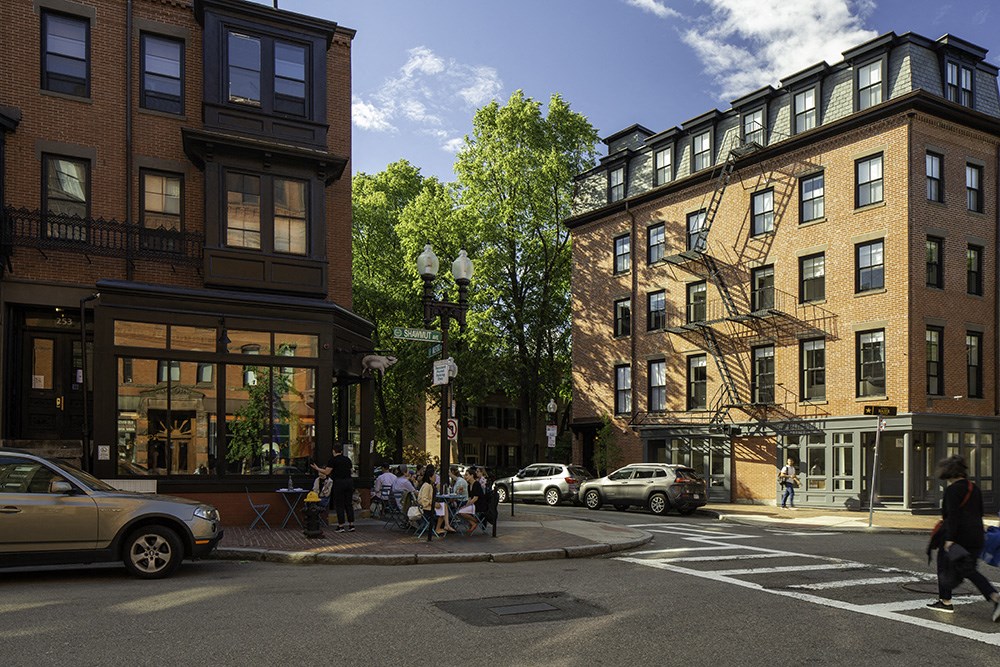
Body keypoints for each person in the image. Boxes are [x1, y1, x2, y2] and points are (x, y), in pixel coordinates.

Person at [926, 455, 1000, 620]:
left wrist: (949, 539)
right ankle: (993, 597)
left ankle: (946, 601)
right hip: (977, 536)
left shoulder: (952, 490)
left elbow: (952, 516)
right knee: (969, 569)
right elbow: (980, 512)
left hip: (958, 537)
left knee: (943, 565)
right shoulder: (974, 488)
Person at [313, 444, 355, 533]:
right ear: (341, 451)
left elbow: (327, 472)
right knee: (348, 503)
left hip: (339, 482)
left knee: (339, 504)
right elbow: (351, 471)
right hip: (349, 482)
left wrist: (317, 468)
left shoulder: (333, 460)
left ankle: (341, 526)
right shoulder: (347, 459)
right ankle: (351, 525)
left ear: (333, 451)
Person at [457, 469, 481, 534]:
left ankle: (476, 521)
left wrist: (467, 505)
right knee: (458, 512)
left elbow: (475, 498)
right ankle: (473, 523)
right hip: (473, 504)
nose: (465, 477)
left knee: (461, 512)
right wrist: (466, 505)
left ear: (472, 475)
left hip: (479, 504)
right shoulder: (469, 485)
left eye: (467, 475)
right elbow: (470, 498)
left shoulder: (476, 484)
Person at [417, 466, 437, 541]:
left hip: (427, 506)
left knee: (444, 507)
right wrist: (433, 503)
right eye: (434, 476)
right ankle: (439, 527)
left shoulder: (428, 485)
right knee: (444, 507)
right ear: (430, 477)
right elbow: (424, 499)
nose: (435, 477)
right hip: (427, 508)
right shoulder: (427, 486)